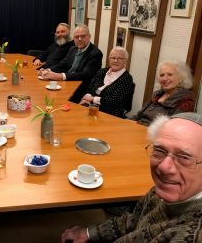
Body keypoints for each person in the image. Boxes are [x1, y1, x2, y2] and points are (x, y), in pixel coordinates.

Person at [61, 112, 202, 242]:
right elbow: (134, 220)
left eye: (184, 157)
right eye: (159, 150)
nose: (164, 167)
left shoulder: (190, 235)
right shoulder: (166, 189)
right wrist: (88, 232)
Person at [132, 60, 194, 126]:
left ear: (181, 77)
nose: (164, 78)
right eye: (162, 75)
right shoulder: (157, 95)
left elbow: (172, 128)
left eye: (170, 74)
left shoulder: (185, 101)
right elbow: (138, 116)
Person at [79, 47, 135, 118]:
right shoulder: (102, 71)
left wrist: (92, 99)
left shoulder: (127, 79)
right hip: (91, 107)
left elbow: (114, 101)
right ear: (109, 59)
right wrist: (87, 97)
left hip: (110, 113)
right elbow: (90, 87)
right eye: (113, 58)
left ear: (126, 61)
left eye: (120, 58)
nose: (115, 61)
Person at [38, 25, 102, 81]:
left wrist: (61, 76)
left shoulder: (96, 53)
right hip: (68, 81)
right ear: (73, 38)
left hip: (81, 86)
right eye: (76, 37)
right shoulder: (73, 49)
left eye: (83, 36)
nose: (79, 39)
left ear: (89, 37)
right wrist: (48, 70)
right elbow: (63, 64)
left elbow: (85, 74)